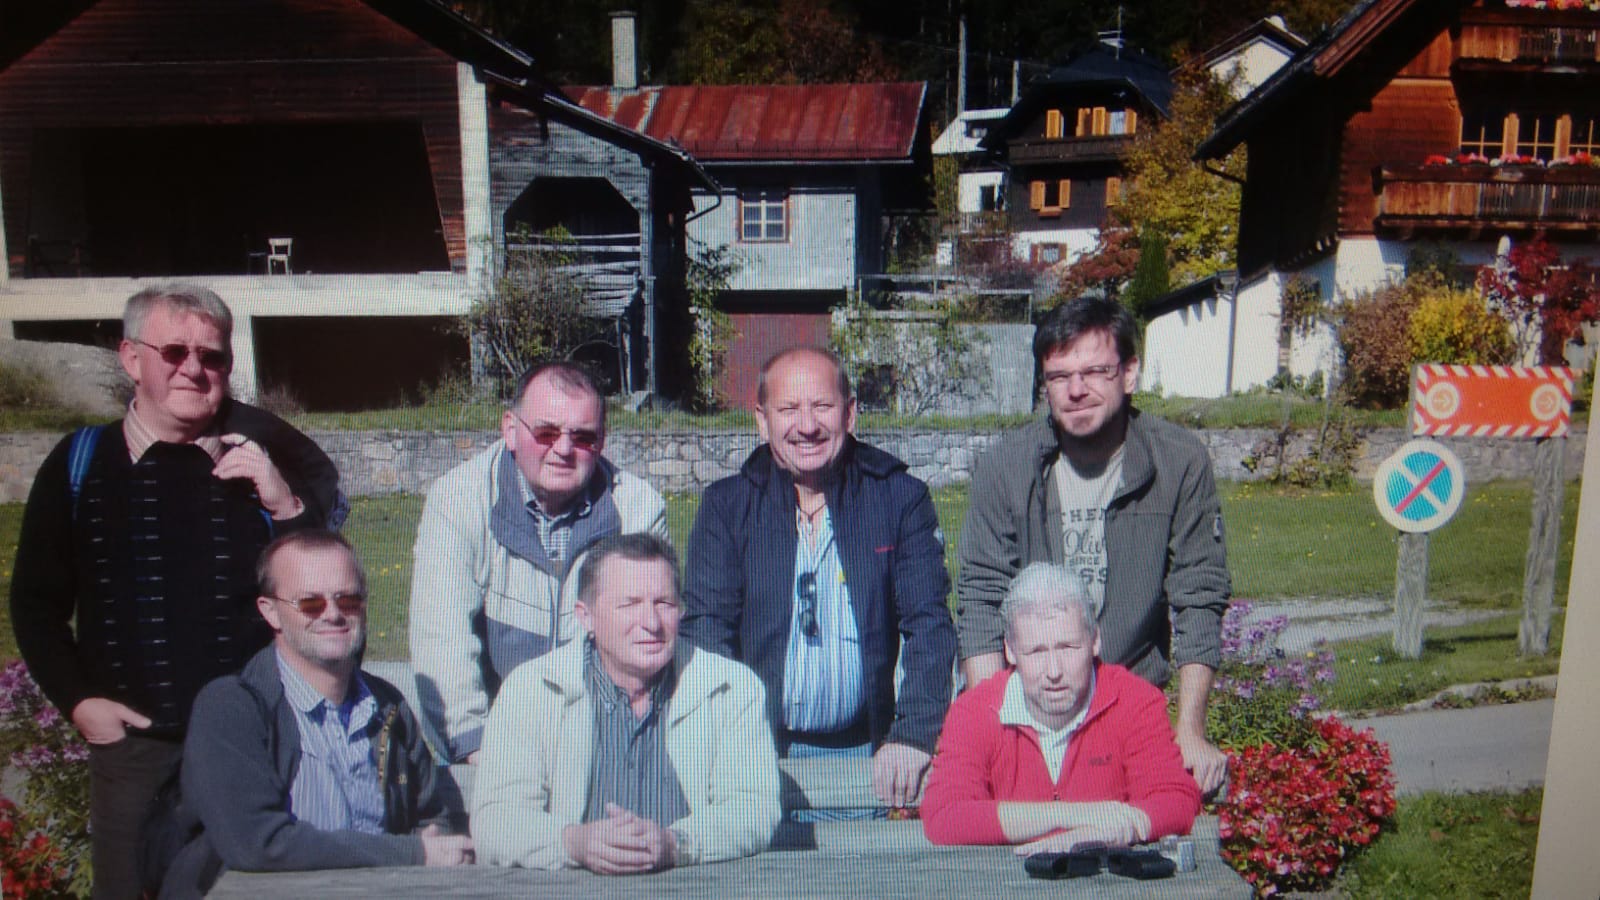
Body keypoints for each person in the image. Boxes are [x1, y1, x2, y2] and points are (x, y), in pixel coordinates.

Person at [8, 282, 342, 899]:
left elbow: (322, 602)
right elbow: (35, 603)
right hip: (136, 753)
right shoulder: (78, 463)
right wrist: (80, 702)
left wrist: (285, 506)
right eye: (174, 352)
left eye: (211, 356)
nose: (194, 369)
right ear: (131, 358)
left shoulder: (265, 466)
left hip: (257, 749)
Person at [956, 297, 1232, 793]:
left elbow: (1199, 597)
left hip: (1130, 702)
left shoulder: (1178, 462)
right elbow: (981, 598)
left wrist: (1190, 730)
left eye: (1095, 372)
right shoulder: (1006, 467)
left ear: (1129, 374)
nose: (1077, 390)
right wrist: (993, 724)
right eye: (1060, 376)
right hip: (1032, 706)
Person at [681, 347, 956, 810]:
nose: (806, 426)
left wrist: (913, 734)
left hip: (871, 756)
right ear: (762, 420)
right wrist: (725, 743)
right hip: (758, 754)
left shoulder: (899, 499)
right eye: (788, 409)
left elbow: (929, 624)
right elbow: (707, 633)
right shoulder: (726, 508)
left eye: (822, 406)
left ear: (849, 413)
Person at [163, 531, 472, 896]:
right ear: (270, 611)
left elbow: (431, 817)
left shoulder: (388, 705)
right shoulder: (231, 708)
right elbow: (257, 843)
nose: (333, 614)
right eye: (311, 603)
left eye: (349, 600)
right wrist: (411, 853)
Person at [471, 533, 780, 872]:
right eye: (630, 604)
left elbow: (753, 808)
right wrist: (573, 843)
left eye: (664, 603)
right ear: (586, 616)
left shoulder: (730, 688)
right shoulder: (533, 690)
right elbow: (495, 821)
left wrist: (675, 843)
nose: (651, 623)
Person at [409, 361, 667, 763]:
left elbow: (646, 646)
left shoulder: (638, 508)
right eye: (546, 433)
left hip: (603, 744)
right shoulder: (457, 501)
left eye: (582, 437)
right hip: (491, 743)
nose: (563, 450)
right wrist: (479, 750)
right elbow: (441, 640)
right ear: (511, 430)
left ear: (602, 440)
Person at [922, 563, 1200, 850]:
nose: (1053, 671)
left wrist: (1118, 830)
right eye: (1036, 652)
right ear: (1010, 651)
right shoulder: (975, 711)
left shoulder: (1134, 701)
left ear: (1095, 640)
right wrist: (1075, 816)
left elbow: (1176, 800)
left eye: (1067, 648)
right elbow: (944, 815)